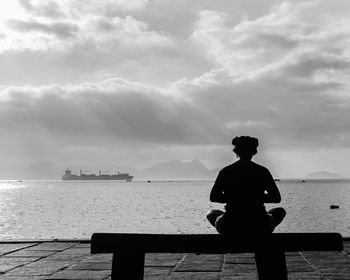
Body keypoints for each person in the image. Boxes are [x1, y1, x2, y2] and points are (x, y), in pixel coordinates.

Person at [207, 136, 286, 236]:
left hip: (230, 225)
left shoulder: (226, 171)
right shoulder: (262, 171)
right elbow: (276, 198)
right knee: (279, 211)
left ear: (236, 151)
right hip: (260, 225)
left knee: (211, 213)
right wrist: (254, 198)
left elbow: (213, 197)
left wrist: (234, 198)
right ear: (254, 151)